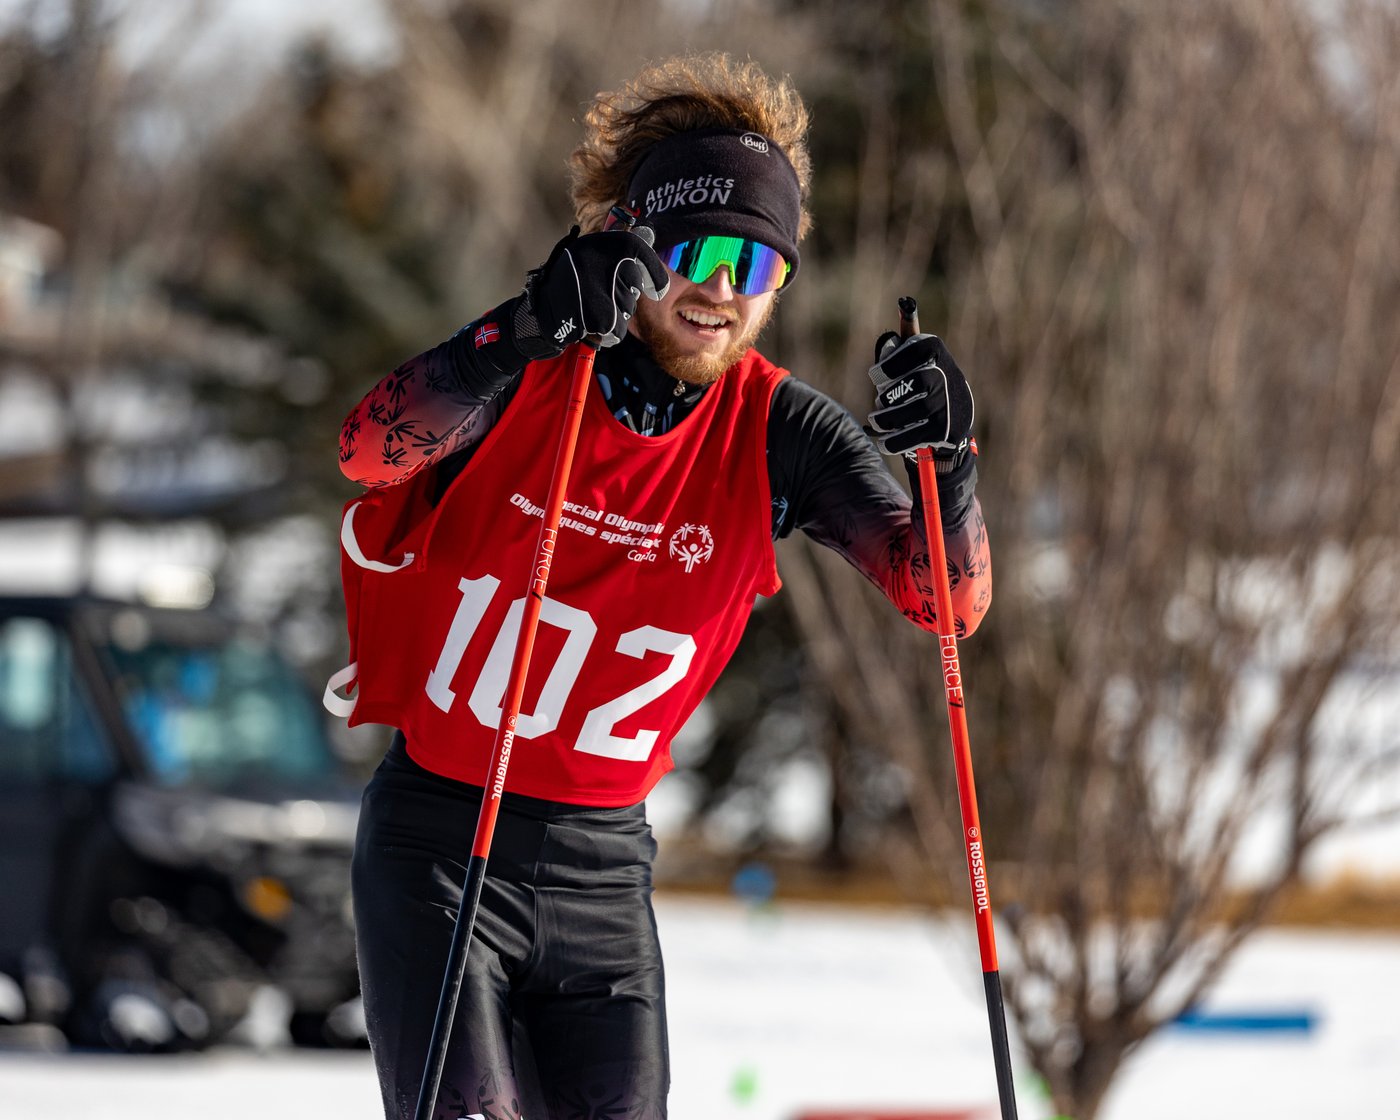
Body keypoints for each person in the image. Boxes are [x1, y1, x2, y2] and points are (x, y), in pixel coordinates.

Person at [329, 52, 991, 1120]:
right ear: (632, 243)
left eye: (758, 264)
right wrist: (513, 331)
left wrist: (948, 472)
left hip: (603, 877)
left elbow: (944, 602)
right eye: (697, 250)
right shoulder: (533, 365)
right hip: (442, 845)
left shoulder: (779, 431)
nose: (721, 289)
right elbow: (367, 452)